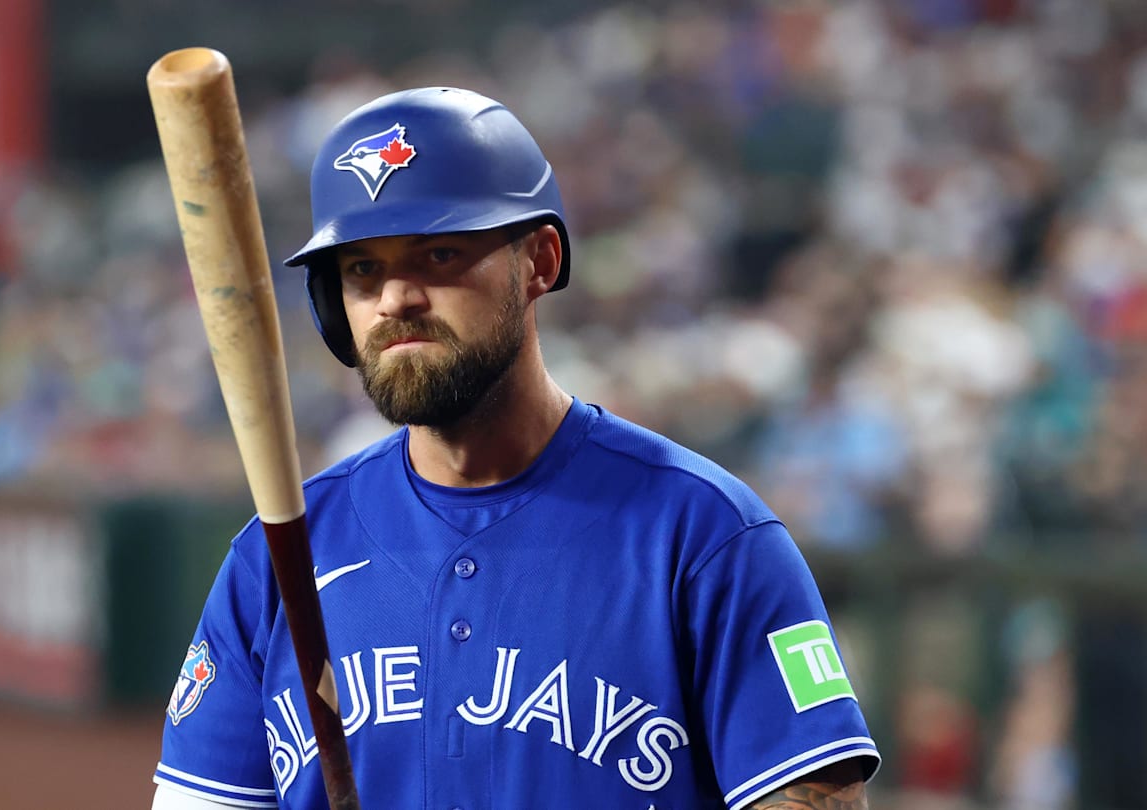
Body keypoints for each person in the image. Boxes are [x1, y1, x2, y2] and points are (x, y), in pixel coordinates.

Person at [152, 88, 878, 809]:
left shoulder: (703, 533)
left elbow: (817, 798)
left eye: (438, 252)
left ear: (539, 260)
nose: (396, 296)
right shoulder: (276, 556)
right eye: (362, 269)